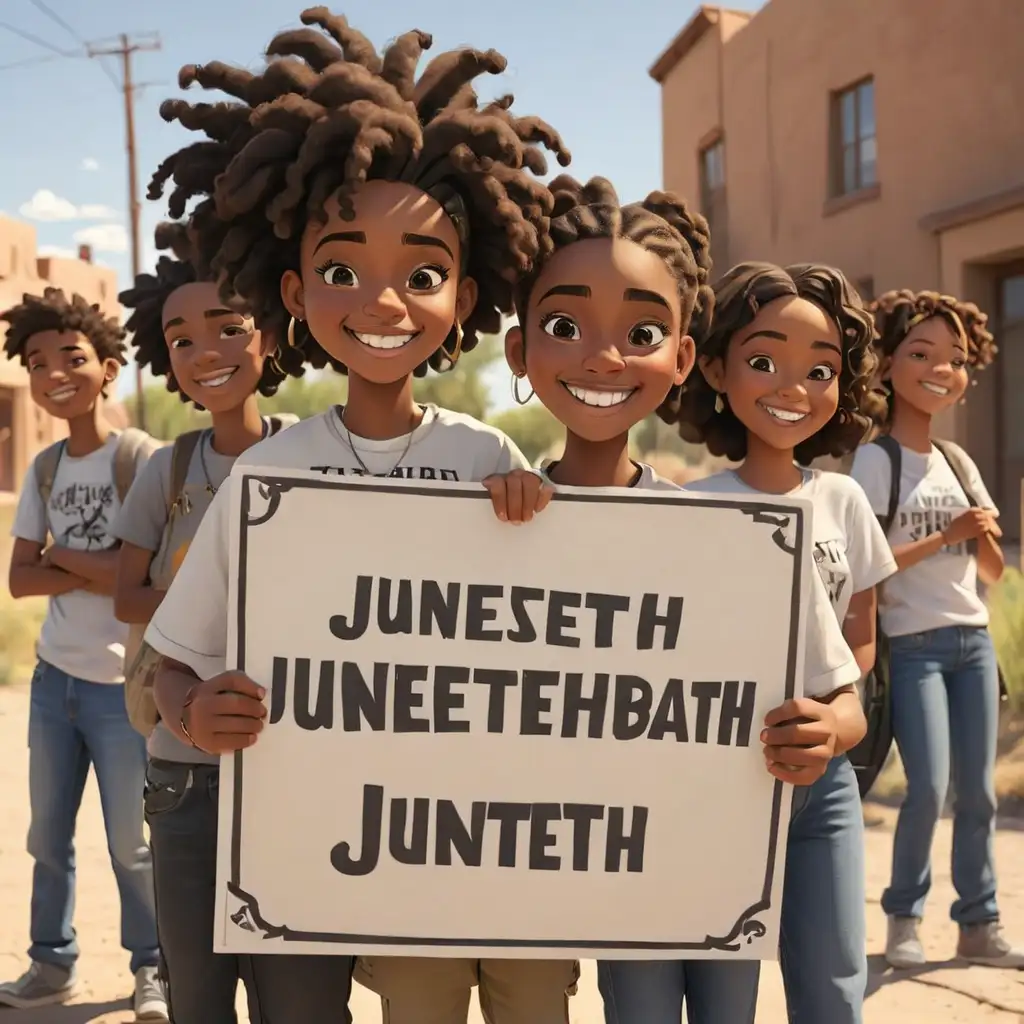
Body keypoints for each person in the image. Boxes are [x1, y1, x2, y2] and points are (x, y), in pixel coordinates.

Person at [142, 7, 575, 1022]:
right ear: (294, 290)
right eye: (344, 271)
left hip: (470, 833)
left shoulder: (488, 458)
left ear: (463, 298)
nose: (382, 300)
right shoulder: (270, 477)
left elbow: (565, 645)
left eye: (420, 274)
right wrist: (194, 713)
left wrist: (543, 514)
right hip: (317, 841)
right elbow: (174, 654)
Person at [485, 195, 862, 1024]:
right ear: (519, 349)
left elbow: (845, 692)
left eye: (643, 335)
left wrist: (830, 728)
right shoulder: (488, 520)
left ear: (685, 357)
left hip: (714, 843)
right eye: (566, 326)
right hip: (607, 860)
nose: (604, 358)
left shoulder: (726, 534)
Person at [675, 262, 892, 1024]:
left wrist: (838, 719)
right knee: (723, 976)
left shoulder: (845, 499)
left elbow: (861, 637)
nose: (791, 387)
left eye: (820, 369)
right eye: (764, 362)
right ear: (715, 369)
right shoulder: (690, 509)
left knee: (835, 973)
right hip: (720, 773)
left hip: (823, 778)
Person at [111, 222, 304, 1022]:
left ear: (270, 332)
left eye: (229, 326)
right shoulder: (170, 466)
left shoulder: (307, 457)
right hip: (180, 761)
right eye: (181, 338)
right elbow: (127, 596)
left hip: (288, 758)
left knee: (291, 985)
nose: (206, 351)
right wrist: (212, 610)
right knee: (198, 988)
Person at [0, 288, 167, 1019]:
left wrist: (64, 557)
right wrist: (92, 562)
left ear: (107, 369)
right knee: (46, 838)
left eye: (71, 358)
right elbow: (18, 579)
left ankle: (152, 969)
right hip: (53, 683)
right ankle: (51, 965)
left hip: (121, 686)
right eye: (37, 363)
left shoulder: (141, 460)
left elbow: (151, 578)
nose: (53, 373)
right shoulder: (44, 469)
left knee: (132, 844)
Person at [849, 289, 1024, 970]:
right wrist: (945, 534)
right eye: (921, 354)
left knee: (978, 790)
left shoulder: (958, 461)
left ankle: (979, 924)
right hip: (915, 647)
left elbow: (992, 573)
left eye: (953, 360)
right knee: (926, 787)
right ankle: (903, 920)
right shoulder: (875, 462)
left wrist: (981, 539)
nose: (939, 370)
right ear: (888, 364)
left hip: (972, 642)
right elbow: (868, 568)